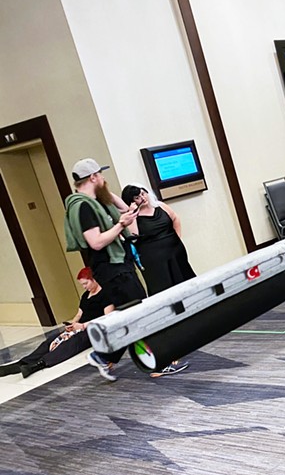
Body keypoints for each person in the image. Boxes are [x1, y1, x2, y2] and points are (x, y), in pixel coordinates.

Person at [63, 158, 144, 381]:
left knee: (130, 312)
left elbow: (123, 209)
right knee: (138, 312)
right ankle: (156, 362)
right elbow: (96, 242)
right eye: (101, 175)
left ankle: (104, 356)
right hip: (111, 267)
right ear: (93, 177)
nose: (103, 179)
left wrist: (108, 195)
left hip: (118, 264)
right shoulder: (83, 207)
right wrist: (120, 225)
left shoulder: (96, 202)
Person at [120, 183, 192, 377]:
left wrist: (177, 240)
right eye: (136, 197)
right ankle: (168, 339)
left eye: (142, 193)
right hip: (154, 260)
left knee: (184, 287)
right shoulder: (133, 218)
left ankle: (187, 328)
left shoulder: (160, 206)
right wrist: (132, 211)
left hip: (174, 252)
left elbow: (175, 219)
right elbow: (132, 235)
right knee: (163, 295)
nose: (141, 198)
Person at [0, 268, 112, 379]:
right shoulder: (85, 295)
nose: (84, 287)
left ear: (93, 279)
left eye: (86, 283)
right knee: (52, 340)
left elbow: (107, 318)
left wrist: (83, 326)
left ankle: (39, 364)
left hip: (94, 328)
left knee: (72, 343)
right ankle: (23, 363)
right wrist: (73, 323)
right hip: (80, 326)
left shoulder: (106, 294)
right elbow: (79, 314)